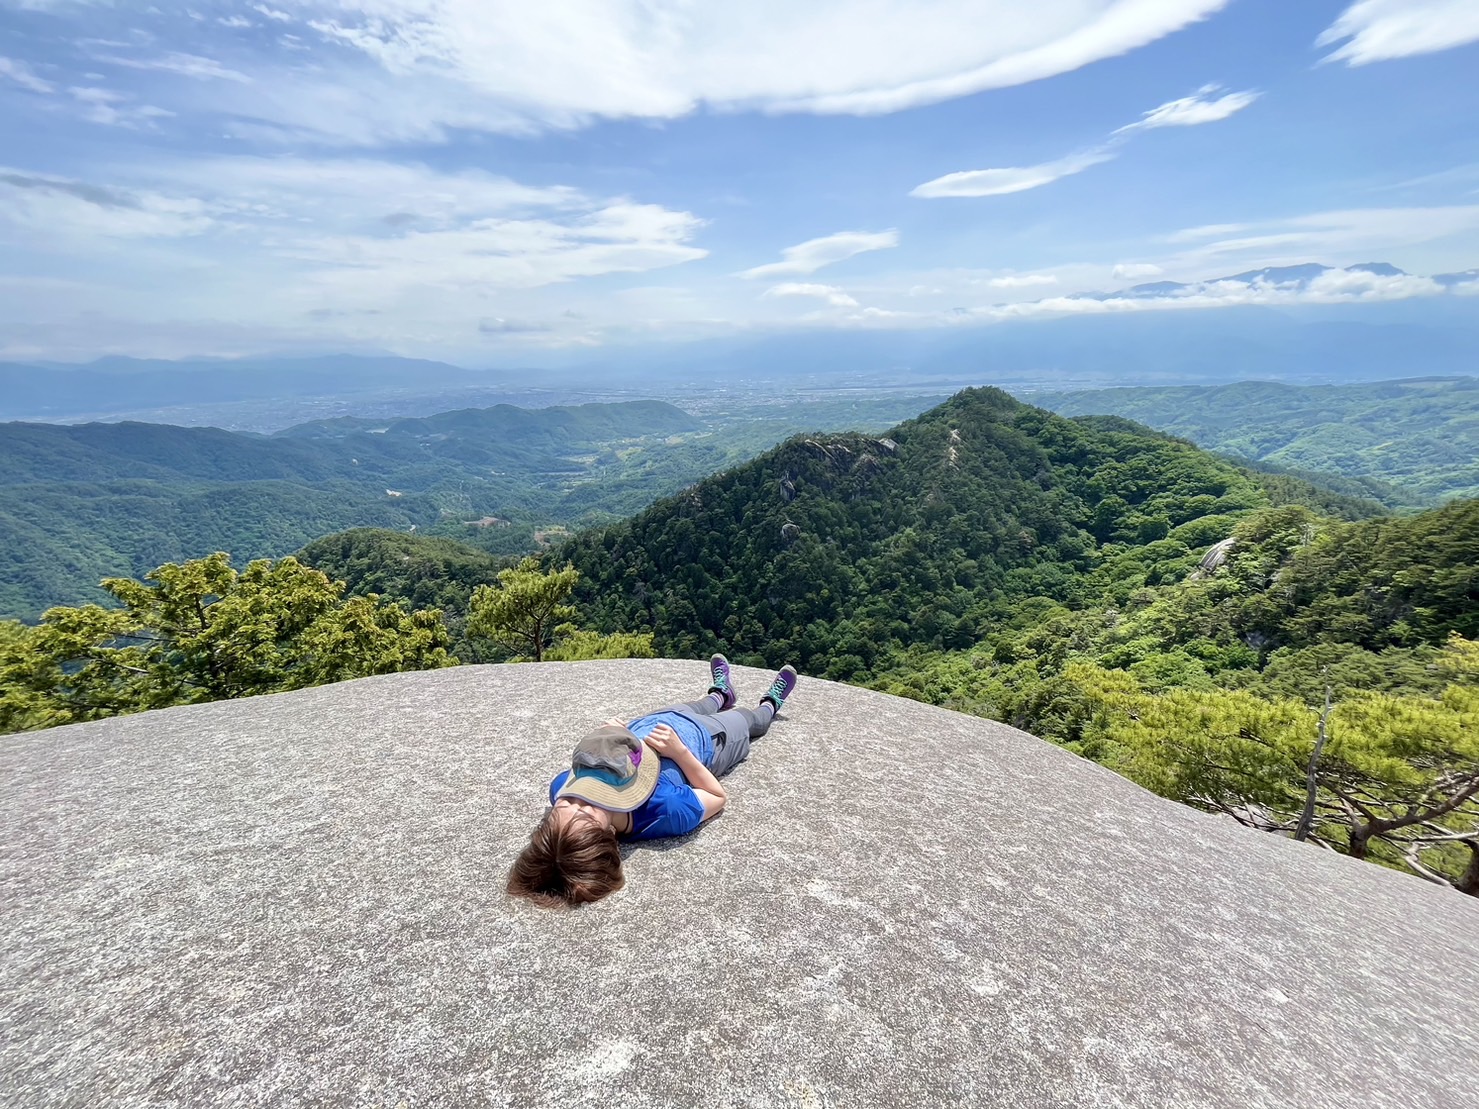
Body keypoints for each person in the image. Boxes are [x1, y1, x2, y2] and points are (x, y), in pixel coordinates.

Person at [506, 656, 798, 908]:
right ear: (609, 834)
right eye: (586, 809)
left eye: (566, 803)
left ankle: (721, 692)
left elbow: (589, 767)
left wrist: (613, 737)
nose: (578, 798)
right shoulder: (666, 810)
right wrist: (679, 752)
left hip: (649, 725)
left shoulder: (560, 790)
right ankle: (770, 703)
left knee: (699, 704)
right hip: (706, 741)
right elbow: (717, 796)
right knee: (747, 720)